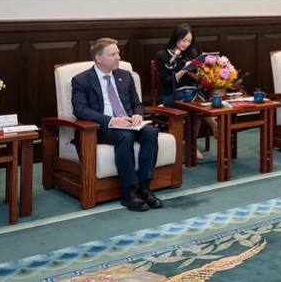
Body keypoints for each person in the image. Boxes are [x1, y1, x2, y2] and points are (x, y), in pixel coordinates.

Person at [71, 37, 162, 212]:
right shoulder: (82, 80)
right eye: (113, 54)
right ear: (99, 58)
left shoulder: (125, 76)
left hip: (129, 124)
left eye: (118, 53)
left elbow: (137, 103)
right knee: (125, 135)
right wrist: (112, 120)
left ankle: (145, 187)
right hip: (102, 128)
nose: (119, 57)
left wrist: (137, 115)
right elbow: (81, 110)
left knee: (151, 132)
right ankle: (129, 192)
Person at [154, 24, 217, 160]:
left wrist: (201, 73)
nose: (186, 44)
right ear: (176, 38)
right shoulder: (162, 55)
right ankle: (213, 125)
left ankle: (191, 144)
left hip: (192, 94)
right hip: (171, 95)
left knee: (195, 104)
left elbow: (195, 79)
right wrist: (184, 70)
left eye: (189, 41)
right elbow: (166, 83)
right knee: (195, 101)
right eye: (184, 40)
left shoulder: (190, 54)